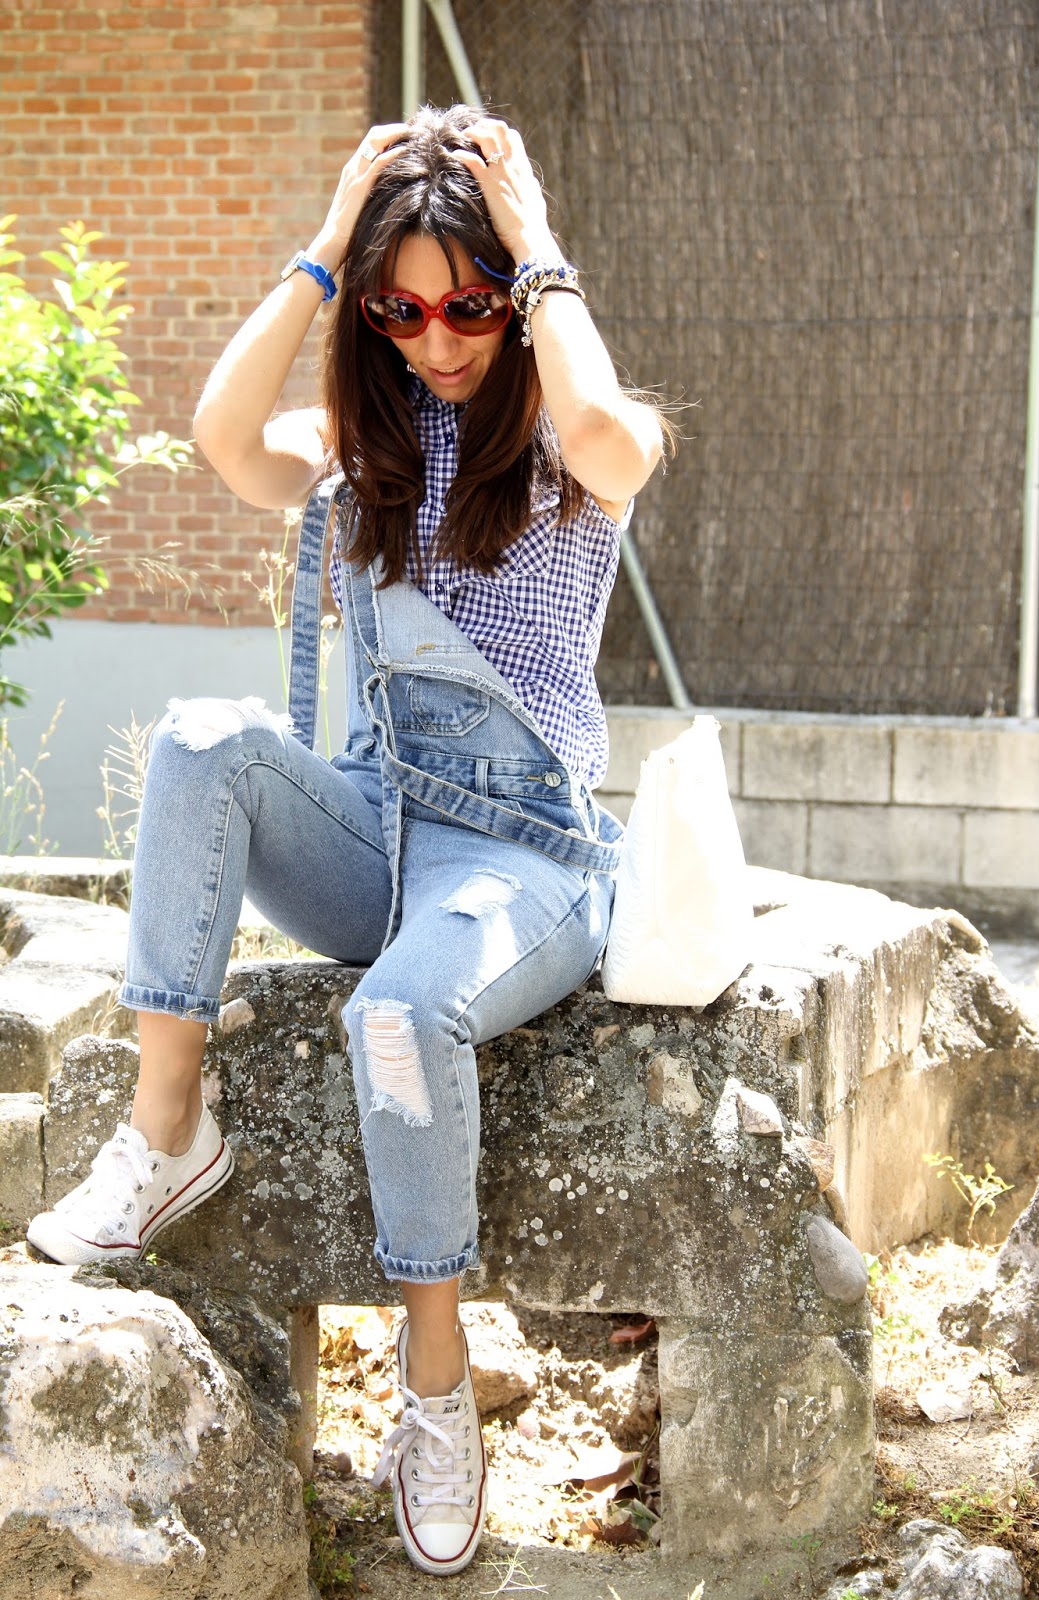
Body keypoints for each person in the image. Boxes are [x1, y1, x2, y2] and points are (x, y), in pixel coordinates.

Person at [27, 105, 672, 1576]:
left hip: (520, 855)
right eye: (403, 310)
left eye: (468, 306)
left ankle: (435, 1387)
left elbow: (604, 433)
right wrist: (327, 250)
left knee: (396, 1015)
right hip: (375, 829)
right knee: (203, 737)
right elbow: (220, 438)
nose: (437, 339)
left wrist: (538, 249)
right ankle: (167, 1131)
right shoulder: (360, 445)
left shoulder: (570, 443)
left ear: (516, 296)